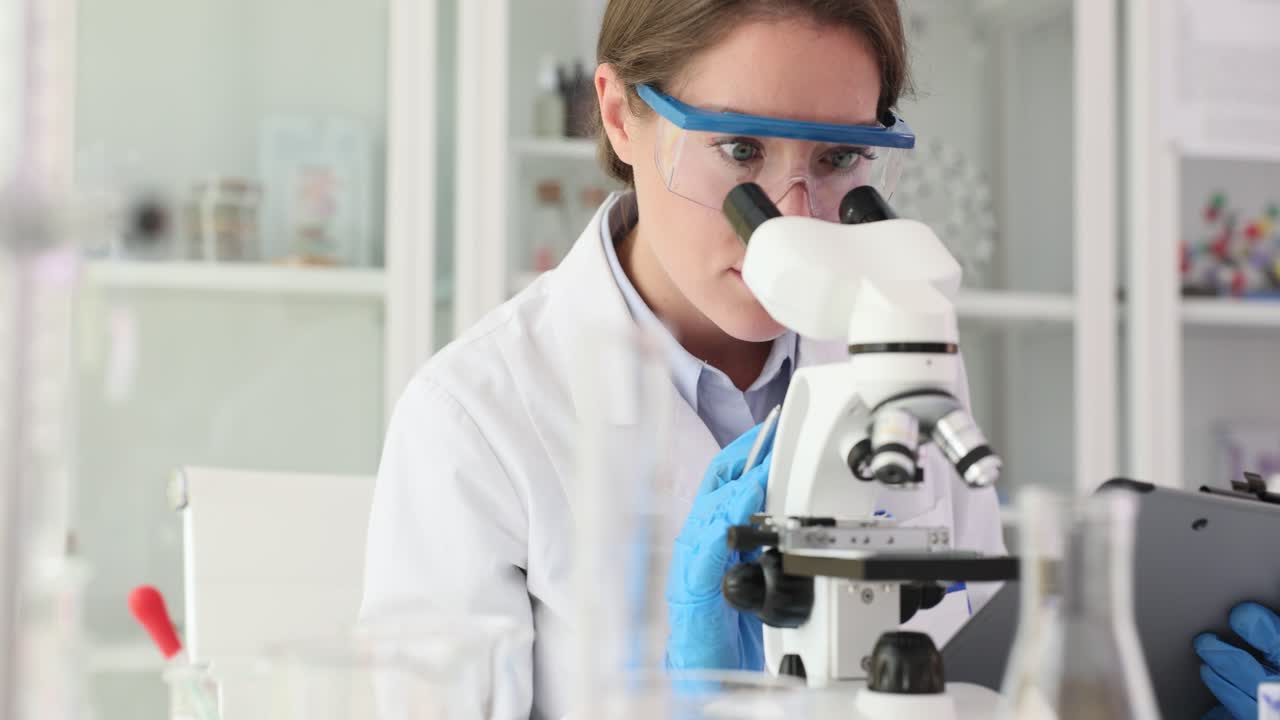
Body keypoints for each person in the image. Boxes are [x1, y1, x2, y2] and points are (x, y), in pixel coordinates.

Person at [360, 1, 1004, 717]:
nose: (794, 219)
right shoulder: (473, 416)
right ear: (618, 115)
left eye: (839, 157)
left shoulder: (899, 351)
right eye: (740, 150)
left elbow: (991, 667)